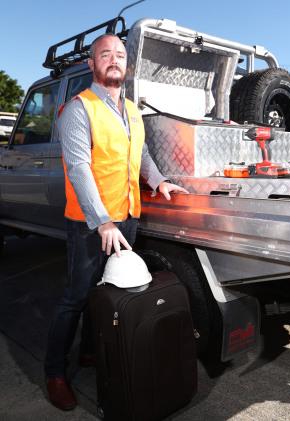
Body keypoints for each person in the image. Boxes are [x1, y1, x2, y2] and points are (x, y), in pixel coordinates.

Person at [44, 33, 188, 411]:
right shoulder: (79, 108)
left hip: (127, 218)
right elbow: (78, 168)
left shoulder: (131, 110)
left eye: (120, 55)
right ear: (91, 64)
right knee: (75, 298)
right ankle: (55, 373)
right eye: (104, 54)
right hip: (93, 224)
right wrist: (102, 222)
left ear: (127, 66)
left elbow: (140, 154)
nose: (113, 59)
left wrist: (158, 181)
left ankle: (93, 352)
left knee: (108, 291)